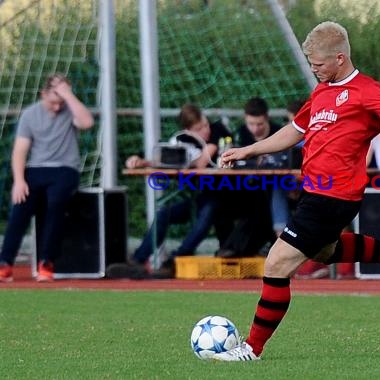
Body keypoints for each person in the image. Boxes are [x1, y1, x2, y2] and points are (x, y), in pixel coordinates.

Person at [212, 21, 380, 361]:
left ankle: (251, 349)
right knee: (325, 252)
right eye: (310, 64)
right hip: (315, 192)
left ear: (340, 58)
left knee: (277, 262)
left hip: (336, 196)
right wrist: (249, 151)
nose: (314, 70)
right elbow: (295, 131)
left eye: (318, 64)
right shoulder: (321, 91)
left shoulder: (367, 90)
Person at [105, 103, 232, 279]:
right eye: (199, 128)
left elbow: (203, 162)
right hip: (202, 196)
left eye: (205, 124)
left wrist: (210, 149)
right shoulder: (182, 142)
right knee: (165, 213)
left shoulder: (219, 131)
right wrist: (141, 161)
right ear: (188, 131)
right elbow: (165, 159)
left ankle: (174, 261)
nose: (205, 130)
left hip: (229, 196)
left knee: (208, 211)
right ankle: (138, 260)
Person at [0, 74, 94, 282]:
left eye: (61, 102)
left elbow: (87, 122)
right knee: (20, 207)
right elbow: (20, 151)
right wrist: (19, 180)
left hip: (65, 169)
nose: (57, 107)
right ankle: (5, 263)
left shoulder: (70, 109)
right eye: (53, 101)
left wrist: (68, 95)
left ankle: (46, 262)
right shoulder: (30, 115)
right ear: (43, 94)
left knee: (56, 203)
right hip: (35, 170)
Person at [215, 97, 287, 258]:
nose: (255, 129)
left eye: (259, 124)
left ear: (267, 118)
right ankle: (228, 247)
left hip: (274, 186)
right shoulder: (241, 133)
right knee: (218, 201)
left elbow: (283, 162)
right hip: (245, 187)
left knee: (261, 202)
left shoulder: (280, 133)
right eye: (251, 124)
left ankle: (235, 249)